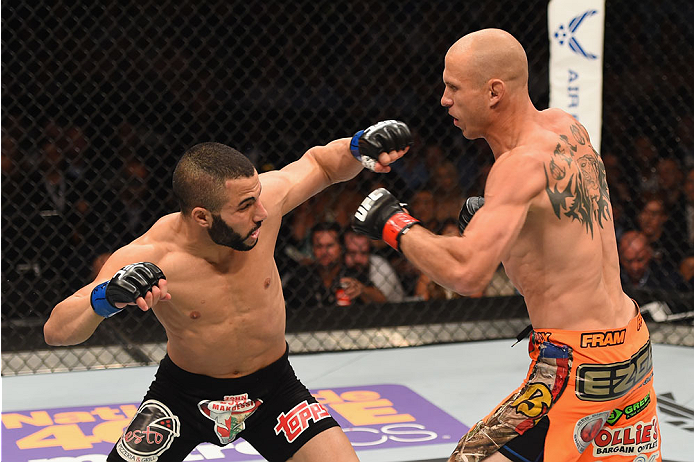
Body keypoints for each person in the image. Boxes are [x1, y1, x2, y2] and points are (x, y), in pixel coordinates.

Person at [351, 29, 661, 462]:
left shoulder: (518, 167)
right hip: (631, 346)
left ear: (494, 92)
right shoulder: (567, 128)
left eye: (454, 87)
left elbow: (466, 273)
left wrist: (394, 224)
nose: (444, 100)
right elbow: (559, 260)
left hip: (575, 366)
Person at [43, 120, 412, 462]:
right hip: (182, 397)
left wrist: (357, 146)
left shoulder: (263, 205)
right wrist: (105, 297)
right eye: (245, 206)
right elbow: (57, 331)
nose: (263, 213)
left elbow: (322, 164)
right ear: (202, 216)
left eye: (258, 197)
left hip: (274, 389)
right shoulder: (152, 254)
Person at [342, 228, 405, 302]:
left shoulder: (380, 267)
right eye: (352, 253)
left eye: (364, 253)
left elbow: (383, 302)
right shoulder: (339, 267)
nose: (358, 259)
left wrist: (363, 290)